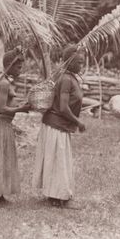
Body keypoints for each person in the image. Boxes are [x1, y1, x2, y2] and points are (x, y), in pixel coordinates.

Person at [32, 44, 86, 208]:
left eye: (82, 62)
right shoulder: (65, 80)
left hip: (58, 125)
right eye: (78, 62)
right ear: (69, 62)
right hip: (56, 125)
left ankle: (55, 195)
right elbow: (63, 107)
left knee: (57, 161)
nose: (81, 66)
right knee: (59, 162)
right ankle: (61, 198)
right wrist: (78, 122)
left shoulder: (70, 78)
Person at [0, 46, 30, 207]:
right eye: (18, 66)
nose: (20, 69)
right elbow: (1, 108)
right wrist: (21, 109)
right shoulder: (4, 83)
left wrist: (18, 106)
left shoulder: (2, 79)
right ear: (10, 65)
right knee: (0, 158)